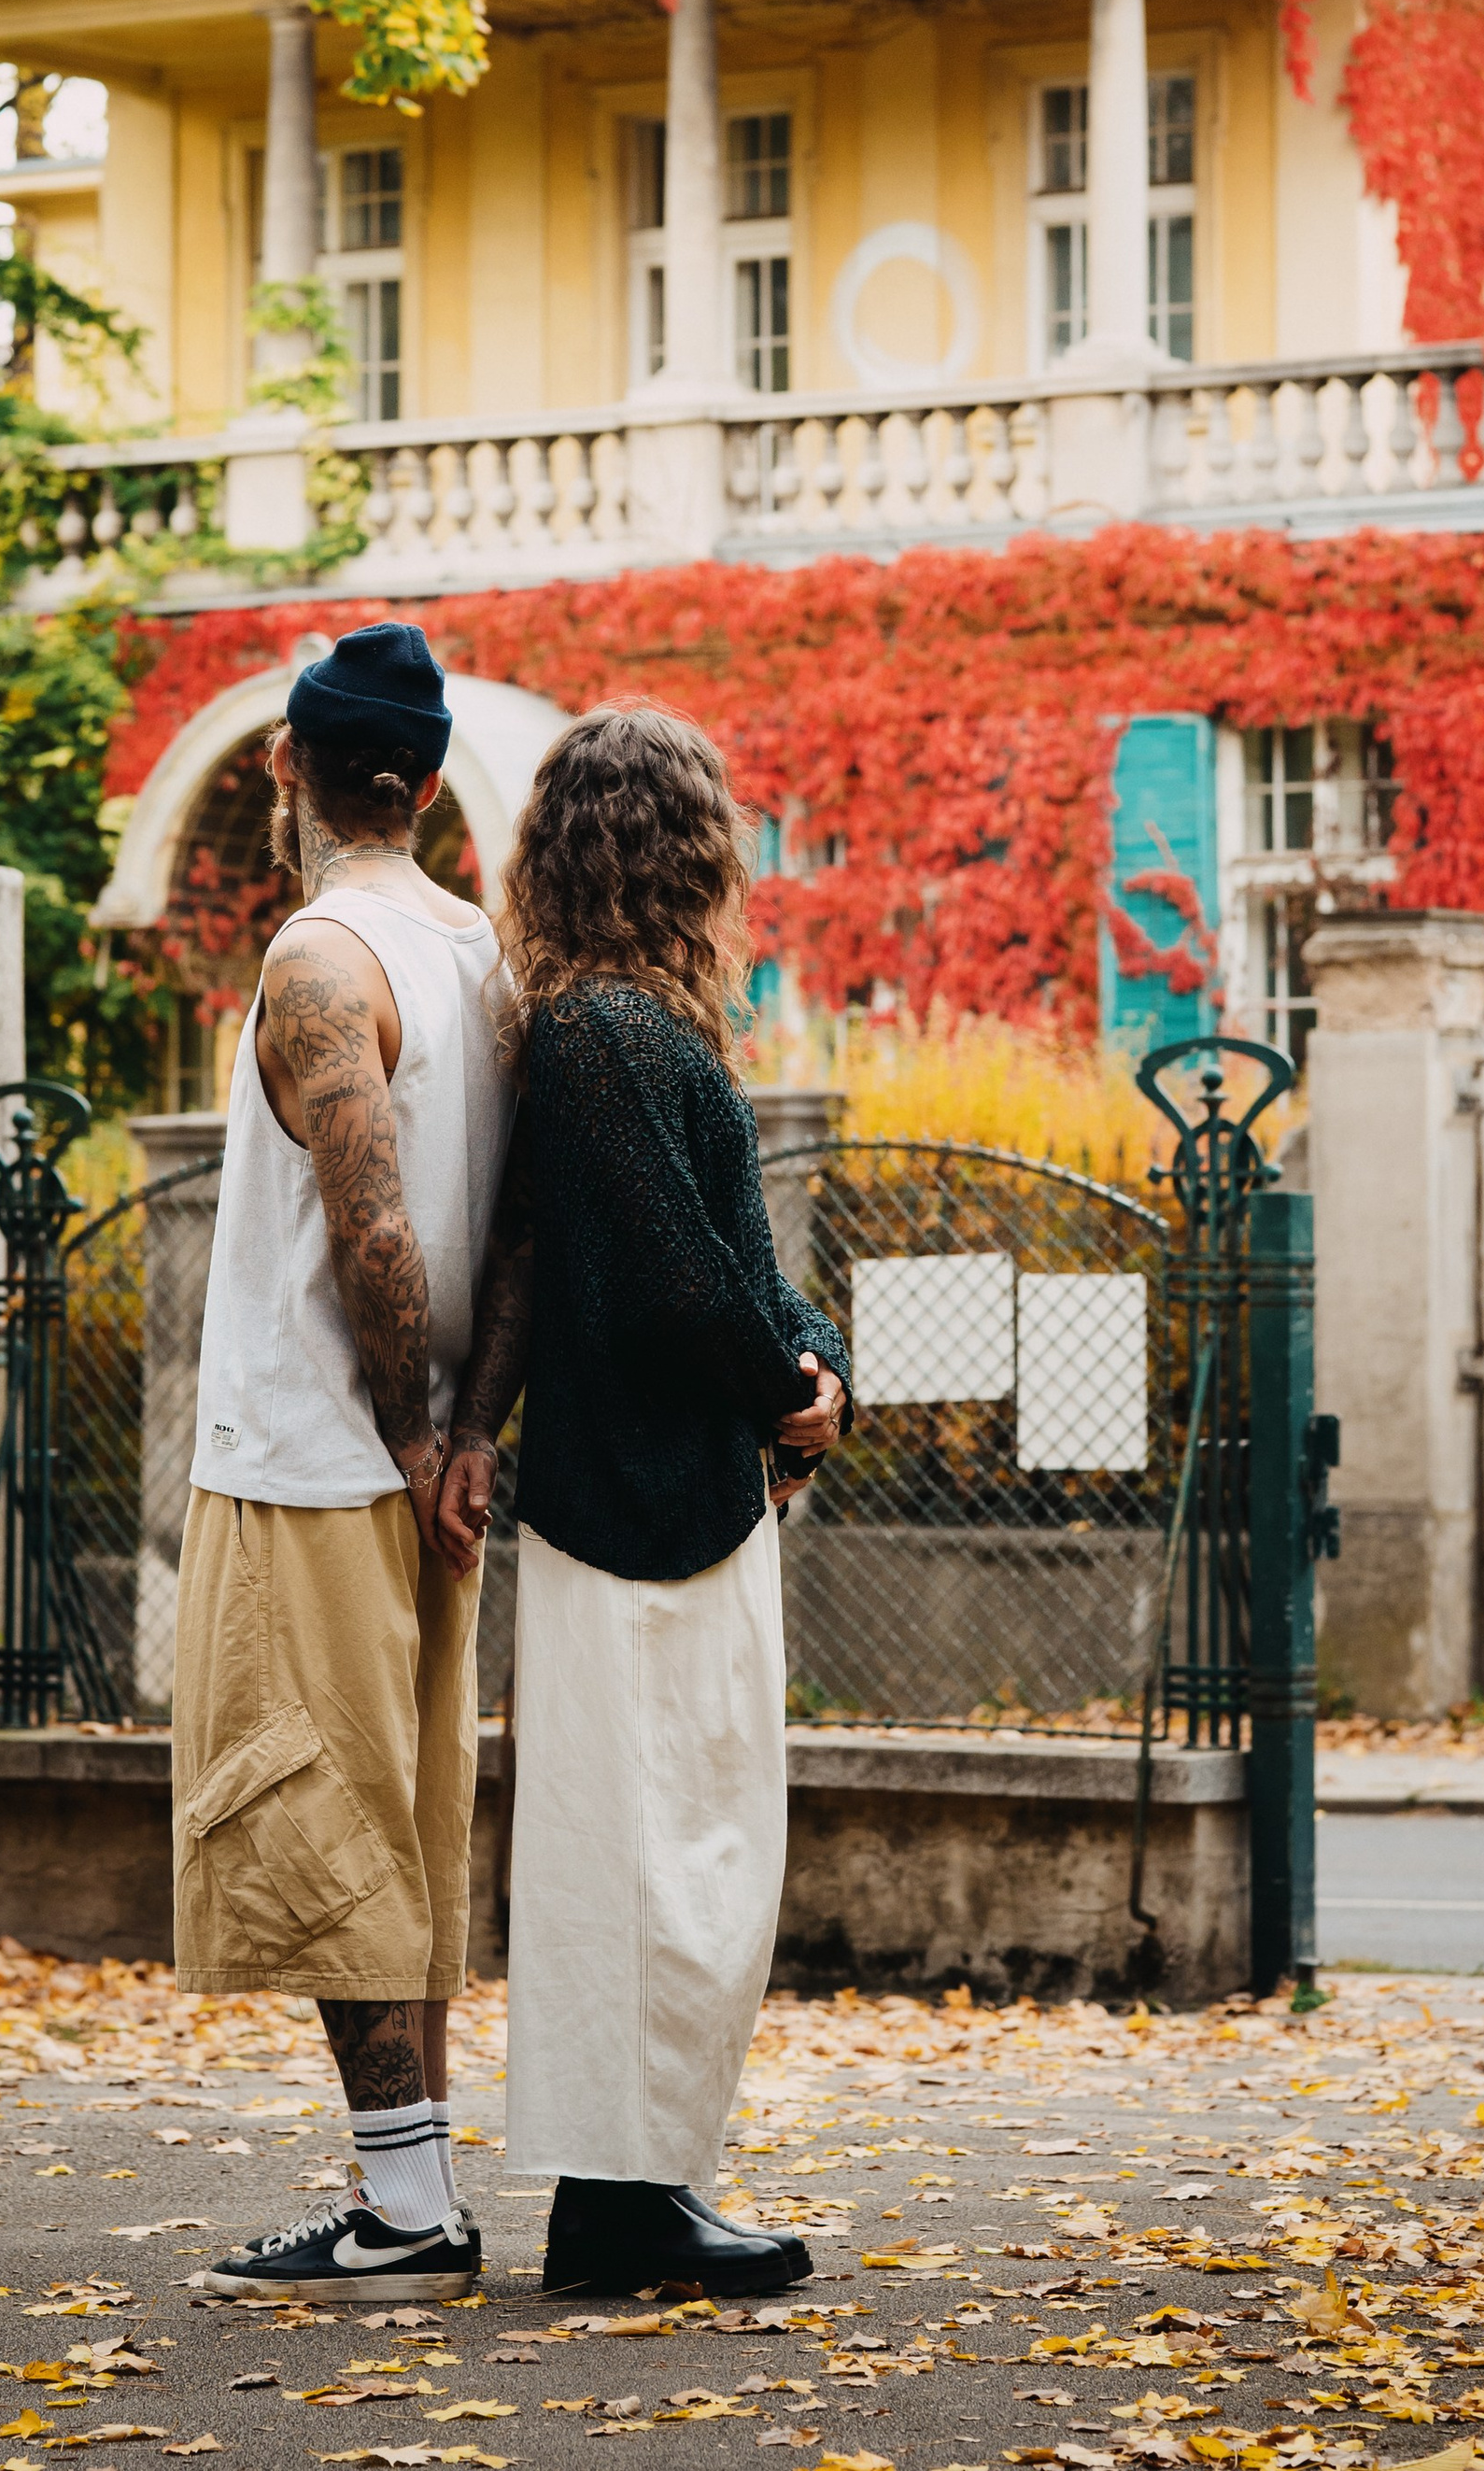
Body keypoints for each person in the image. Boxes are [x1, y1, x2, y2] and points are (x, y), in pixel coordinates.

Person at [434, 703, 850, 2298]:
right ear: (678, 844)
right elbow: (683, 1285)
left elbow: (732, 1265)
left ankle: (646, 2184)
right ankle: (617, 2202)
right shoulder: (605, 1031)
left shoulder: (629, 1028)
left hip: (680, 1495)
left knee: (698, 1845)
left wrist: (813, 1357)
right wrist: (778, 1379)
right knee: (643, 1852)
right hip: (638, 1508)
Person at [175, 621, 516, 2308]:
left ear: (284, 767)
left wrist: (403, 1421)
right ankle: (418, 2199)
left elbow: (369, 1212)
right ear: (433, 783)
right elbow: (506, 1226)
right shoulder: (477, 949)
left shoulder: (322, 953)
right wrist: (473, 1427)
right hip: (435, 1469)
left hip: (323, 1456)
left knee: (328, 1822)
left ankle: (399, 2214)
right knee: (406, 1818)